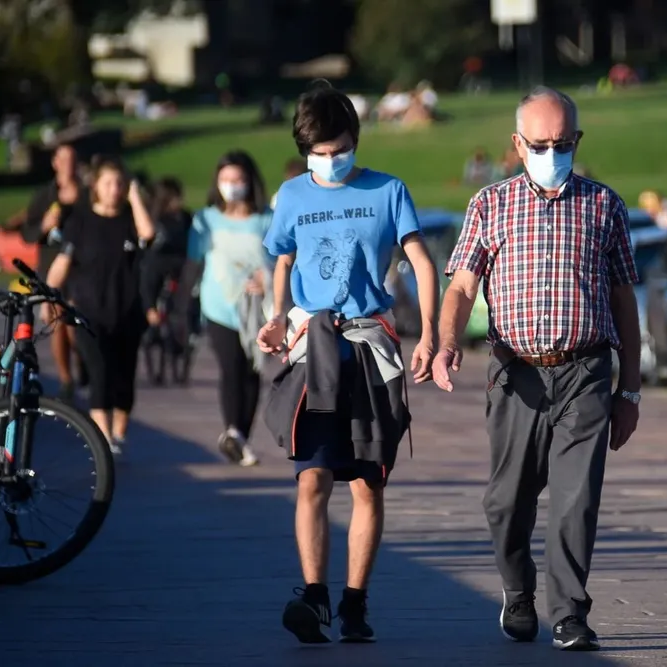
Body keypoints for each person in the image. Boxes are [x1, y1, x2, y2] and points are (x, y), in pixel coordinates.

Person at [431, 86, 641, 652]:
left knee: (577, 498)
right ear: (517, 145)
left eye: (564, 142)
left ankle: (570, 613)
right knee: (508, 500)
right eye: (542, 143)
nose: (554, 153)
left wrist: (632, 390)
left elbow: (625, 301)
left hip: (586, 372)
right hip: (516, 375)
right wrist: (447, 343)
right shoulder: (489, 205)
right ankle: (517, 592)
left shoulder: (604, 206)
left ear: (577, 140)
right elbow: (461, 287)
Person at [255, 83, 438, 645]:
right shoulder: (290, 195)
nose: (329, 161)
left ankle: (355, 602)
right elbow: (283, 260)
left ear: (355, 141)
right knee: (310, 477)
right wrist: (277, 316)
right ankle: (314, 597)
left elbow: (422, 263)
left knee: (365, 484)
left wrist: (430, 334)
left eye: (337, 150)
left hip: (367, 345)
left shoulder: (388, 191)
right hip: (314, 345)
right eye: (318, 152)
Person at [40, 156, 156, 452]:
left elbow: (149, 234)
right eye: (108, 183)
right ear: (96, 186)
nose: (114, 189)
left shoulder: (130, 221)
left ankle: (118, 433)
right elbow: (61, 264)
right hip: (88, 313)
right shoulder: (80, 223)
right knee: (100, 373)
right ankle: (103, 440)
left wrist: (134, 197)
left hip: (127, 312)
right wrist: (48, 295)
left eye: (120, 183)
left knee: (124, 380)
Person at [187, 151, 273, 467]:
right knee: (231, 367)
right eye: (225, 180)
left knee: (252, 372)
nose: (232, 186)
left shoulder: (266, 219)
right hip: (218, 307)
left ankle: (240, 438)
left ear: (250, 182)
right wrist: (183, 307)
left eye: (238, 180)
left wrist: (269, 279)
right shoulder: (205, 220)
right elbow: (193, 264)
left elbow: (280, 260)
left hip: (256, 309)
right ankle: (232, 430)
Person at [20, 143, 85, 401]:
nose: (68, 164)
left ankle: (82, 363)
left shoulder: (86, 194)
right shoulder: (45, 195)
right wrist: (44, 225)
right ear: (55, 163)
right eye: (63, 159)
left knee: (75, 327)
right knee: (57, 322)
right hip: (51, 267)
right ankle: (65, 378)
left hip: (80, 268)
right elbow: (28, 234)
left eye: (73, 159)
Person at [141, 177, 193, 330]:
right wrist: (150, 305)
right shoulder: (157, 226)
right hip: (161, 287)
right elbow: (150, 271)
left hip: (182, 283)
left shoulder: (185, 219)